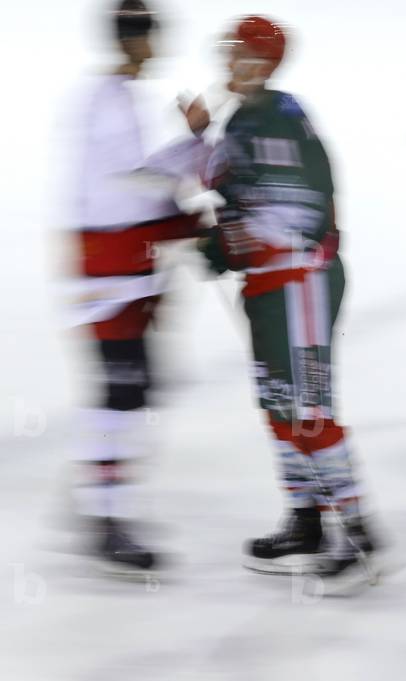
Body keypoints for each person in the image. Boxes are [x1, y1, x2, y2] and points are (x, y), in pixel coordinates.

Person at [198, 16, 378, 587]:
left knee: (307, 409)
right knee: (279, 405)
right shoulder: (244, 117)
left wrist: (230, 240)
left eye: (237, 52)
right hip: (270, 283)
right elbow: (237, 190)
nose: (228, 61)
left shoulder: (278, 117)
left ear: (260, 60)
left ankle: (357, 531)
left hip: (301, 278)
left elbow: (295, 212)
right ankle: (306, 518)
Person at [68, 0, 209, 575]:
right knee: (123, 391)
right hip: (111, 271)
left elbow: (138, 182)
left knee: (133, 388)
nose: (157, 45)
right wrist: (186, 213)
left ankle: (102, 504)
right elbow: (130, 189)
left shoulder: (116, 99)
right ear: (134, 39)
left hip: (120, 269)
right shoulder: (108, 106)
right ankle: (105, 516)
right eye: (152, 35)